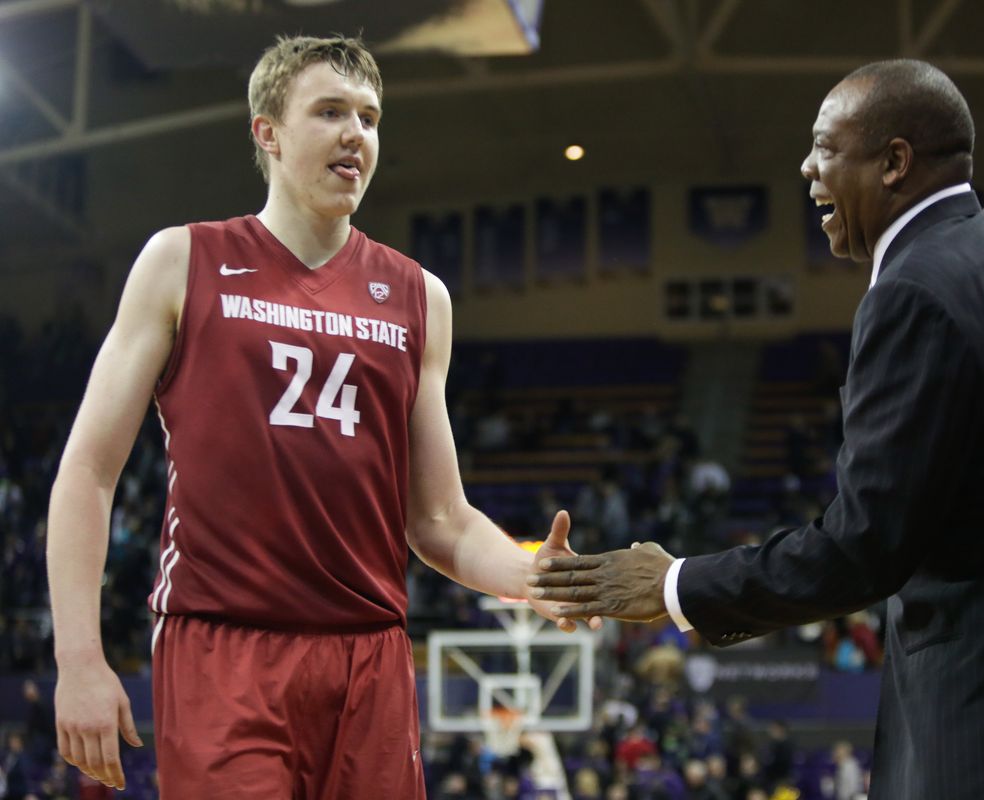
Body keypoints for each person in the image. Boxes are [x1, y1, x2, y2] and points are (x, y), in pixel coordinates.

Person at [530, 59, 984, 798]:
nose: (807, 168)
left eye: (825, 148)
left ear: (895, 162)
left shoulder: (916, 288)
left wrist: (675, 583)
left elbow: (865, 547)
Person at [47, 34, 595, 798]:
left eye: (370, 117)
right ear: (266, 132)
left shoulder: (419, 296)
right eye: (330, 111)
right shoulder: (182, 261)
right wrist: (79, 660)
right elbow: (88, 472)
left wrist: (530, 577)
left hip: (369, 657)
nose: (355, 134)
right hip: (223, 647)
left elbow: (439, 518)